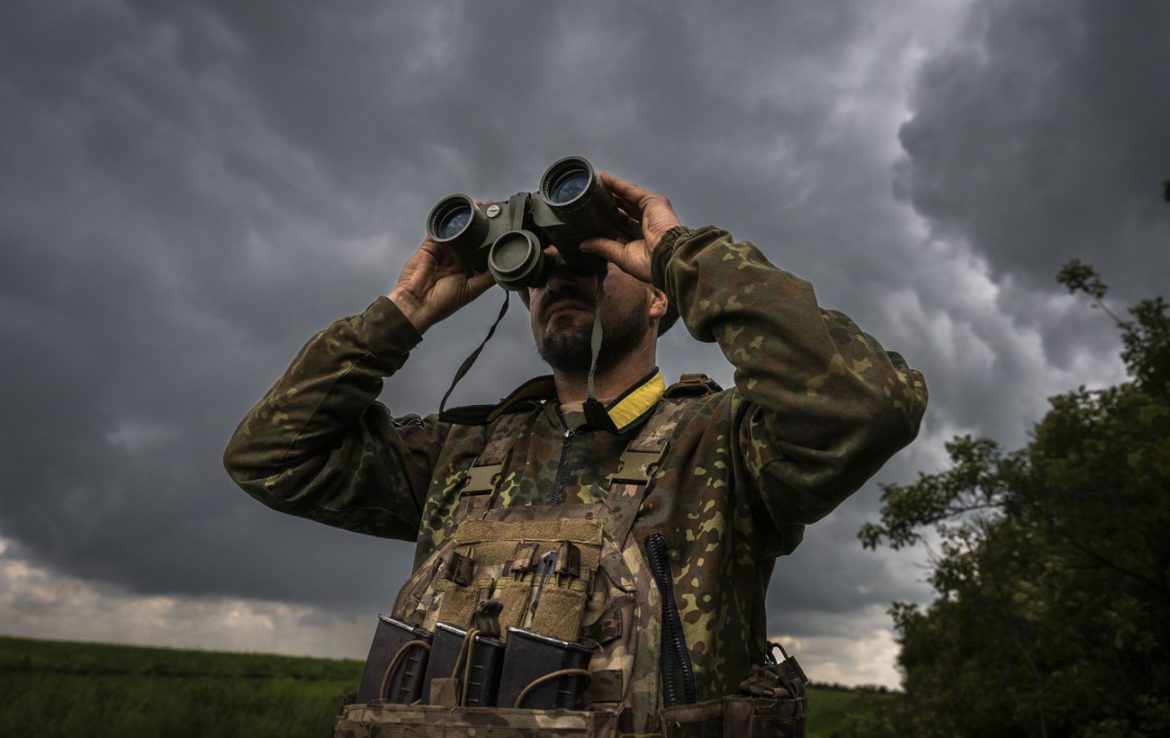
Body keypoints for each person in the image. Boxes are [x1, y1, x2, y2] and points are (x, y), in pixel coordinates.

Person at [223, 171, 928, 736]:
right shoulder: (462, 454)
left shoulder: (725, 447)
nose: (556, 280)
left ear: (660, 298)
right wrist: (403, 313)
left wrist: (686, 254)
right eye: (538, 272)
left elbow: (867, 405)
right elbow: (269, 456)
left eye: (589, 262)